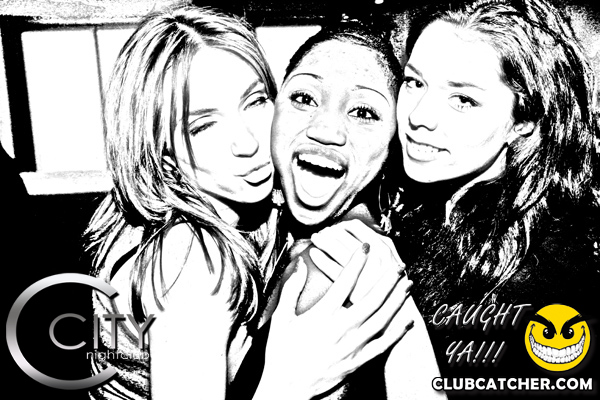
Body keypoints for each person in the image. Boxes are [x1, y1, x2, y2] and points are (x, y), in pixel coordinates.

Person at [85, 5, 411, 400]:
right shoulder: (192, 259)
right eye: (203, 125)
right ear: (162, 151)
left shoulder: (235, 206)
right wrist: (292, 382)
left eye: (254, 102)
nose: (247, 142)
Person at [383, 0, 600, 395]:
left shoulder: (544, 272)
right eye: (414, 82)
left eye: (463, 100)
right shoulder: (434, 207)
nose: (418, 117)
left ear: (524, 121)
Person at [271, 18, 444, 399]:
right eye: (304, 98)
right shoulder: (270, 235)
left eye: (364, 111)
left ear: (393, 145)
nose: (326, 130)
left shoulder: (337, 264)